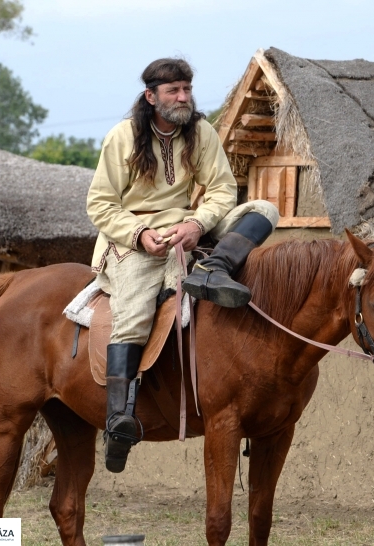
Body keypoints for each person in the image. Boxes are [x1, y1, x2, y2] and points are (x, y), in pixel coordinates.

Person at [87, 57, 278, 473]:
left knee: (264, 209)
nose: (183, 97)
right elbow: (99, 204)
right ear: (150, 96)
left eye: (187, 89)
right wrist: (140, 234)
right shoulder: (122, 136)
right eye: (173, 90)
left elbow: (223, 188)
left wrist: (197, 224)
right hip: (134, 239)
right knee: (134, 315)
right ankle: (118, 420)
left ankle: (213, 270)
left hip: (187, 228)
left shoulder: (201, 131)